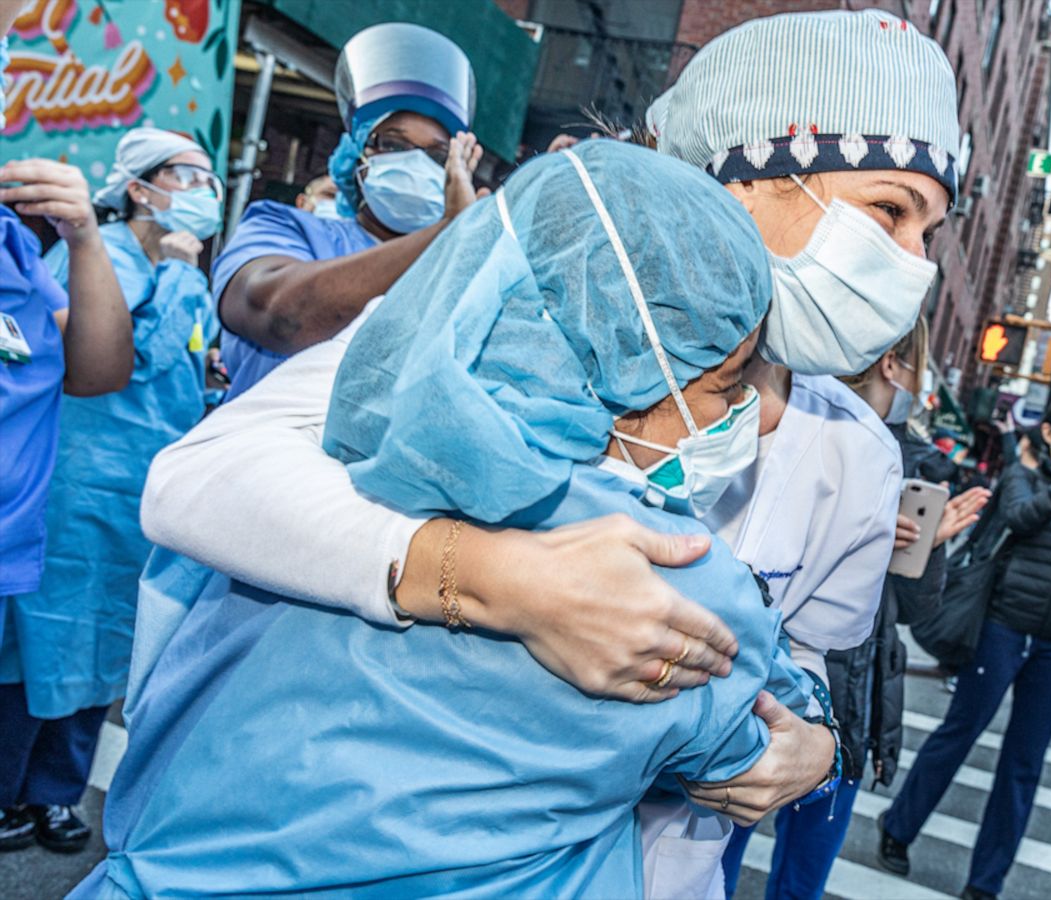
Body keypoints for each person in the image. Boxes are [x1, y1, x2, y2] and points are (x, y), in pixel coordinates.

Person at [136, 10, 957, 896]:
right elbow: (197, 483)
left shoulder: (858, 458)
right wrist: (491, 578)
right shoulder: (493, 320)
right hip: (341, 845)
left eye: (930, 233)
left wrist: (815, 753)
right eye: (889, 210)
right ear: (746, 172)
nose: (912, 264)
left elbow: (803, 663)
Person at [72, 139, 814, 899]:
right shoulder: (676, 568)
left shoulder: (354, 447)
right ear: (633, 360)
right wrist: (815, 745)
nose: (745, 420)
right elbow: (752, 743)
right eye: (725, 388)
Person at [0, 130, 217, 854]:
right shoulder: (98, 256)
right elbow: (131, 356)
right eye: (187, 176)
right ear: (139, 186)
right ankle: (8, 791)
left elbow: (194, 358)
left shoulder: (171, 265)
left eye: (208, 178)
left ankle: (56, 795)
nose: (204, 191)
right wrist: (183, 274)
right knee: (40, 647)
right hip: (75, 488)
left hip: (140, 495)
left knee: (103, 650)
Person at [722, 319, 991, 899]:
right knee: (714, 849)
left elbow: (915, 610)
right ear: (894, 364)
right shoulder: (775, 413)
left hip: (849, 698)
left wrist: (926, 548)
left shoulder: (921, 464)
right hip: (758, 682)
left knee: (803, 876)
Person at [879, 392, 1051, 900]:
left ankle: (985, 883)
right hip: (1004, 626)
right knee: (961, 731)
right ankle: (897, 826)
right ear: (1049, 433)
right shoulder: (1022, 477)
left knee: (1024, 762)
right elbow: (1023, 519)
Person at [213, 22, 481, 398]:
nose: (415, 163)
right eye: (392, 143)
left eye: (437, 155)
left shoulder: (466, 267)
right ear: (357, 156)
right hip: (262, 455)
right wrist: (449, 230)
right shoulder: (284, 227)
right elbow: (280, 316)